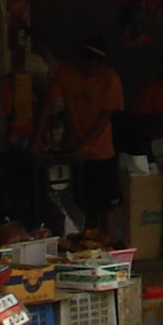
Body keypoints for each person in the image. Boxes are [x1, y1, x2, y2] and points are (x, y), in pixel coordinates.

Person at [48, 40, 128, 221]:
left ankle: (108, 243)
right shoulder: (65, 73)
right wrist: (37, 138)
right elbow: (48, 104)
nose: (88, 72)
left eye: (93, 68)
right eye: (85, 67)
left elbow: (105, 117)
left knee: (108, 205)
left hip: (100, 150)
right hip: (73, 148)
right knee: (81, 203)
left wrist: (86, 146)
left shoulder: (110, 79)